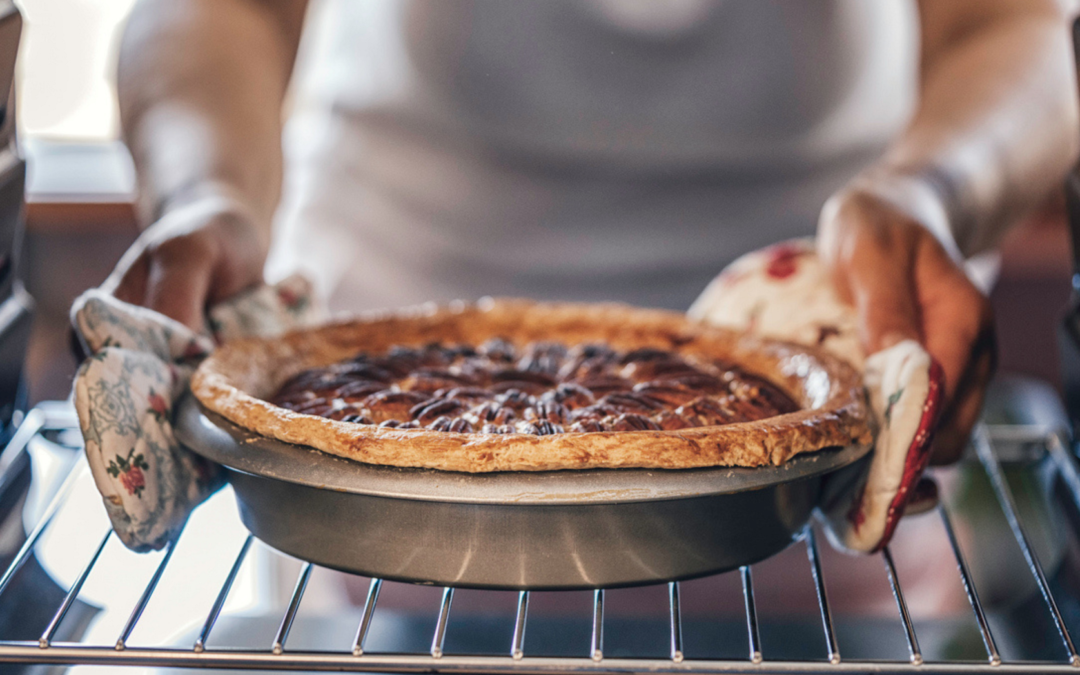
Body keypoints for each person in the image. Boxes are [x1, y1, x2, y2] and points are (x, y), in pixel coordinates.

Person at [105, 0, 1078, 466]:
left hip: (823, 386)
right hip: (369, 412)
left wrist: (928, 193)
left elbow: (1010, 24)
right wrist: (209, 194)